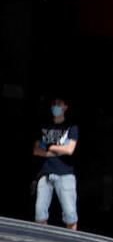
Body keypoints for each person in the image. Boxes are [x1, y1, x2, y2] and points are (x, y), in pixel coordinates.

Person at [32, 96, 79, 230]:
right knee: (40, 215)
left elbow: (70, 150)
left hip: (65, 173)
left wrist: (50, 147)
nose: (56, 107)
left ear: (65, 107)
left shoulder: (71, 127)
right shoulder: (44, 126)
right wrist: (58, 150)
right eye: (54, 104)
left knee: (70, 215)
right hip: (45, 173)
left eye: (59, 104)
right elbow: (36, 150)